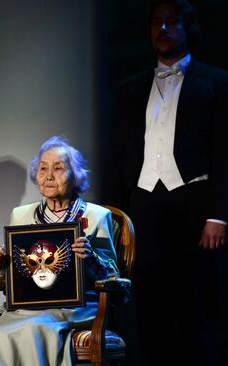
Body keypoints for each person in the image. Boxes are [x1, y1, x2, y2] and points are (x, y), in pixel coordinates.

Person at [106, 1, 227, 364]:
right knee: (148, 310)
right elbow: (118, 155)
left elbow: (224, 151)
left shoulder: (216, 82)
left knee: (196, 309)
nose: (163, 29)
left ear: (188, 28)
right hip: (144, 205)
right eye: (157, 22)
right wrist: (113, 217)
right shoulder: (130, 87)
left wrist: (219, 215)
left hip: (194, 203)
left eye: (171, 22)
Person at [0, 136, 119, 365]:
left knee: (35, 329)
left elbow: (112, 277)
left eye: (59, 168)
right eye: (43, 168)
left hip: (74, 308)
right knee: (1, 335)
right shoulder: (21, 215)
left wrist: (90, 258)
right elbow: (17, 276)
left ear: (77, 176)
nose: (49, 176)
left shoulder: (96, 216)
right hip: (27, 309)